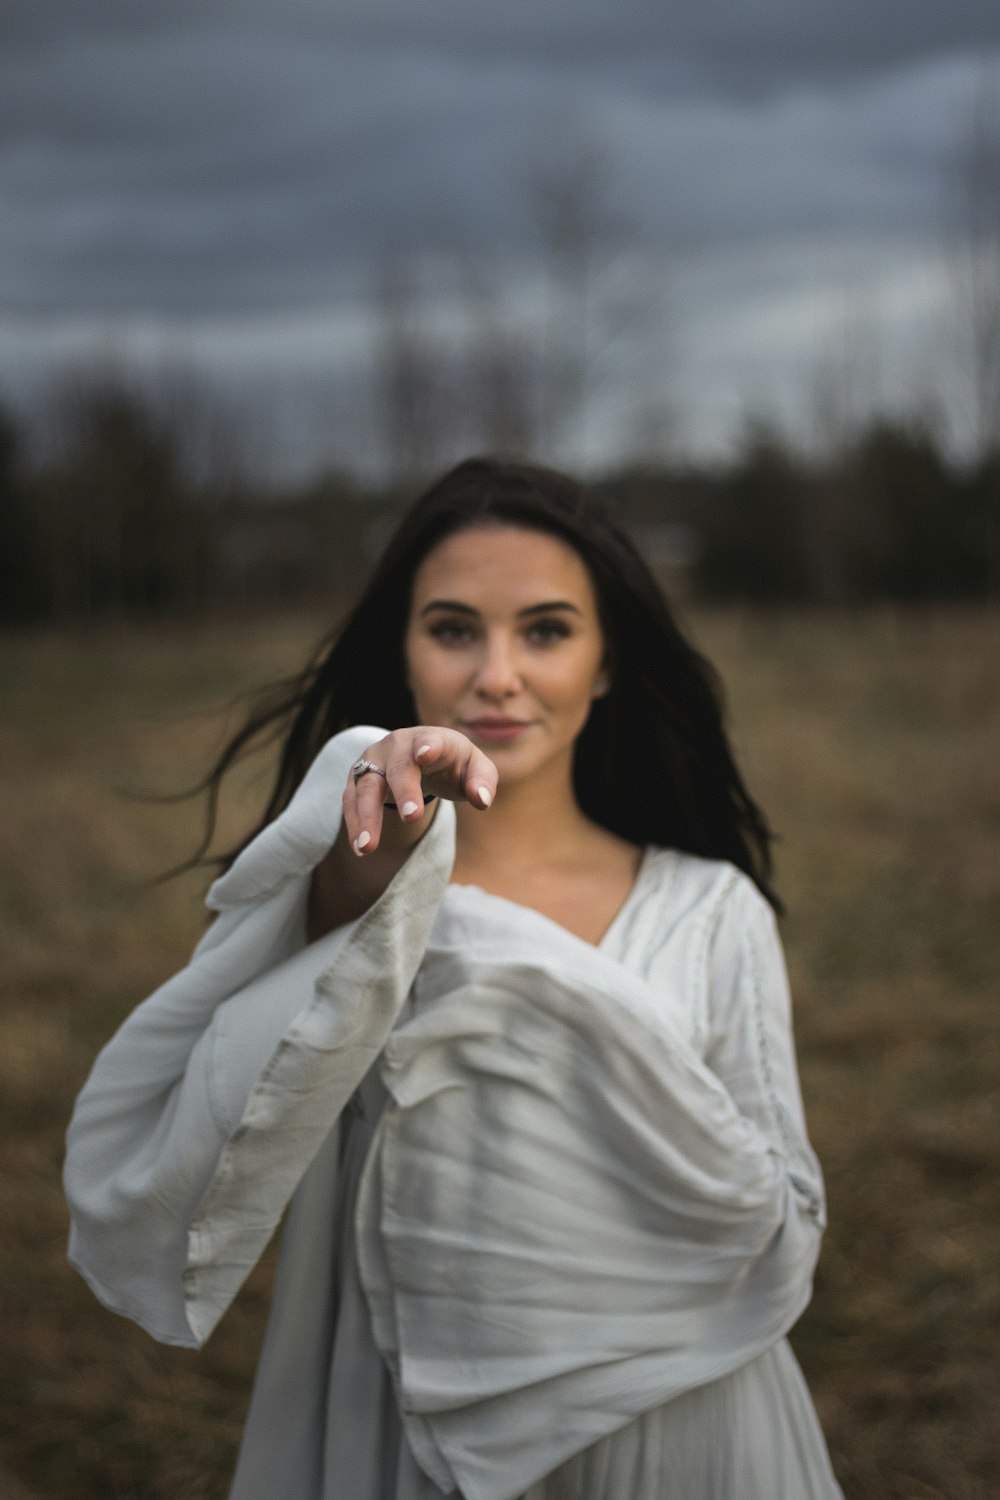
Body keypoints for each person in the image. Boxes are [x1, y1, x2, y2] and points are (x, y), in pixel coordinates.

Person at [64, 457, 844, 1500]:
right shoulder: (349, 894)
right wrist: (365, 858)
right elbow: (237, 1094)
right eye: (453, 628)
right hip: (403, 1434)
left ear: (606, 661)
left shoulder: (712, 911)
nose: (498, 675)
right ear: (406, 652)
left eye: (547, 630)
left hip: (687, 1428)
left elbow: (784, 1218)